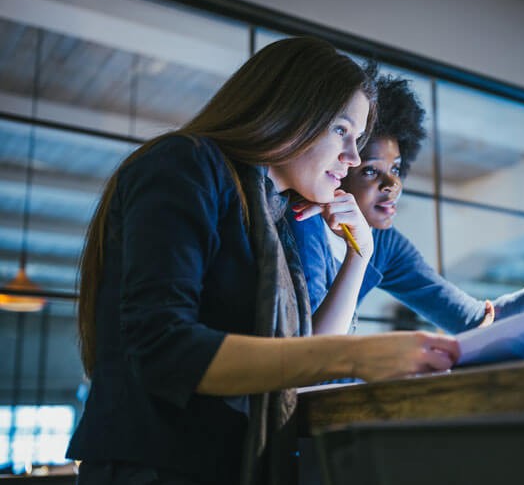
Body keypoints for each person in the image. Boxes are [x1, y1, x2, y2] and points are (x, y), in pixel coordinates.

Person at [66, 38, 459, 485]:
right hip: (156, 465)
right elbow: (163, 347)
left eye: (358, 140)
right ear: (291, 109)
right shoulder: (186, 163)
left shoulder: (275, 213)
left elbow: (307, 363)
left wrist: (359, 254)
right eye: (341, 131)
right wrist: (357, 354)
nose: (351, 158)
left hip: (226, 463)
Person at [290, 70, 524, 335]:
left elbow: (476, 322)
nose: (392, 184)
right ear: (342, 166)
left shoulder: (383, 244)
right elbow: (313, 352)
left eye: (396, 169)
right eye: (370, 171)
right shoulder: (302, 224)